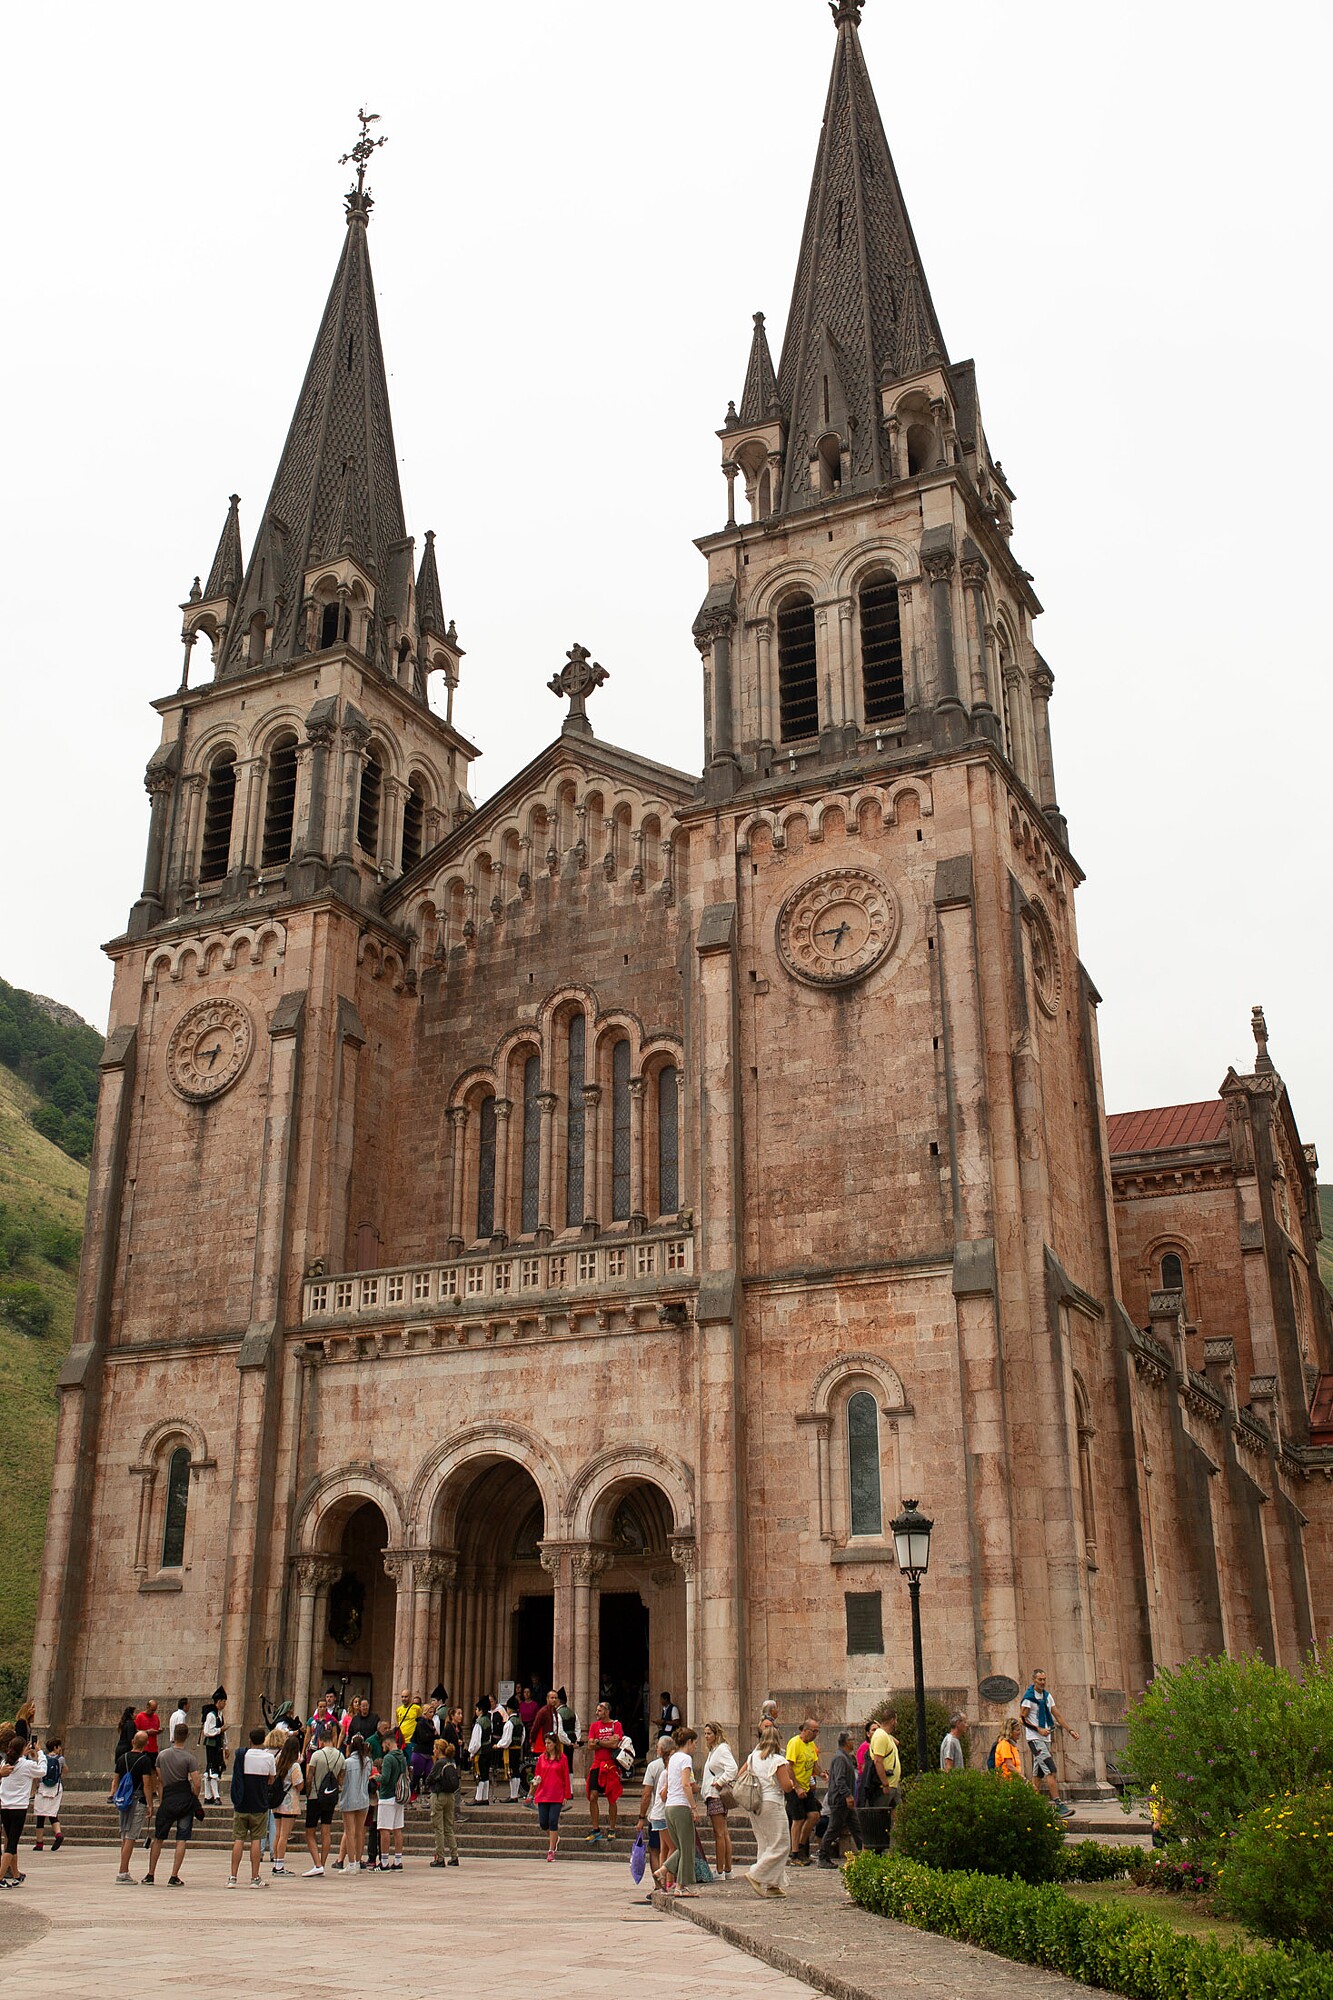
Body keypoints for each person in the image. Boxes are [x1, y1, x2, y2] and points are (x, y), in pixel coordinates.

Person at [145, 1719, 202, 1885]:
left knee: (158, 1838)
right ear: (187, 1737)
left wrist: (162, 1799)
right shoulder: (189, 1758)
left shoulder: (162, 1756)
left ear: (173, 1736)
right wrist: (194, 1797)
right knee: (181, 1838)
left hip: (168, 1797)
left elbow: (160, 1779)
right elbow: (197, 1782)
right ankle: (173, 1875)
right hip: (184, 1797)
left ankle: (150, 1874)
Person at [742, 1722, 794, 1899]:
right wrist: (792, 1782)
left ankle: (772, 1884)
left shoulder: (752, 1757)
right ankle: (757, 1873)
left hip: (755, 1802)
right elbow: (787, 1786)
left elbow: (741, 1774)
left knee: (765, 1842)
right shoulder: (778, 1760)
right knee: (781, 1843)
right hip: (772, 1803)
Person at [1021, 1668, 1078, 1818]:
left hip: (1046, 1739)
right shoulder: (1029, 1698)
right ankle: (1058, 1804)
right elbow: (1022, 1719)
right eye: (1040, 1679)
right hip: (1035, 1739)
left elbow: (1057, 1715)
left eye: (1044, 1679)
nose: (1043, 1682)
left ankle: (1029, 1805)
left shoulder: (1047, 1697)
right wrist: (1038, 1729)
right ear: (1034, 1680)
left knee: (1038, 1774)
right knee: (1051, 1770)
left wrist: (1070, 1730)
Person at [229, 1725, 276, 1888]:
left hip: (242, 1803)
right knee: (256, 1839)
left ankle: (233, 1877)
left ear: (250, 1740)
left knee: (238, 1839)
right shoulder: (268, 1758)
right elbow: (271, 1779)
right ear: (263, 1741)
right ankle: (254, 1877)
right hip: (259, 1803)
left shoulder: (243, 1755)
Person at [660, 1726, 703, 1897]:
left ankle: (663, 1870)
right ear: (689, 1742)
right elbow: (686, 1784)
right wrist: (694, 1807)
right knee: (687, 1848)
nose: (695, 1747)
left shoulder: (673, 1758)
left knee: (680, 1846)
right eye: (695, 1743)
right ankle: (681, 1886)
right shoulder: (685, 1759)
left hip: (670, 1806)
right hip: (680, 1806)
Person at [114, 1729, 158, 1883]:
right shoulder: (144, 1760)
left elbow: (116, 1780)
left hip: (123, 1800)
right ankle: (122, 1872)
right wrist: (150, 1804)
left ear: (133, 1741)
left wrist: (114, 1796)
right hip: (137, 1799)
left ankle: (124, 1869)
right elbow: (147, 1784)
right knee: (131, 1836)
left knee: (124, 1835)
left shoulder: (122, 1758)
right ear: (146, 1744)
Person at [0, 1735, 45, 1885]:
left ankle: (16, 1873)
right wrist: (40, 1753)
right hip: (18, 1808)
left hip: (5, 1806)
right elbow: (42, 1771)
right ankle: (0, 1877)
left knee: (12, 1842)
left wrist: (24, 1754)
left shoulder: (5, 1763)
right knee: (11, 1844)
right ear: (23, 1749)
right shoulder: (26, 1765)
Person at [303, 1722, 346, 1875]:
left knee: (310, 1831)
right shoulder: (340, 1756)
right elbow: (341, 1779)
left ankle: (317, 1863)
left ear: (320, 1741)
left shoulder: (317, 1755)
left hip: (315, 1796)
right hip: (331, 1796)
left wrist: (308, 1793)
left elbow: (309, 1777)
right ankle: (323, 1862)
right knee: (326, 1830)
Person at [817, 1732, 863, 1868]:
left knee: (856, 1827)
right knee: (833, 1829)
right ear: (845, 1742)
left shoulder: (845, 1757)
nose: (853, 1742)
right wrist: (847, 1795)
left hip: (845, 1801)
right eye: (851, 1740)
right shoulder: (840, 1759)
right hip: (839, 1800)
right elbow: (840, 1779)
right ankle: (823, 1855)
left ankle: (865, 1853)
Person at [636, 1734, 675, 1891]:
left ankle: (659, 1885)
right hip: (672, 1812)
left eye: (658, 1747)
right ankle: (670, 1880)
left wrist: (641, 1817)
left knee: (656, 1849)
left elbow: (646, 1794)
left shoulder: (654, 1766)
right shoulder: (677, 1764)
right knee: (669, 1848)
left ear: (662, 1749)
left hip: (658, 1813)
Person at [700, 1721, 737, 1879]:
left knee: (719, 1834)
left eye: (709, 1733)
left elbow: (732, 1768)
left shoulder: (721, 1749)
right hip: (711, 1794)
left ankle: (720, 1870)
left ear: (716, 1734)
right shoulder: (714, 1750)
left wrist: (720, 1781)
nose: (707, 1736)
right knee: (723, 1833)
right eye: (705, 1733)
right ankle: (727, 1869)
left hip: (715, 1795)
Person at [784, 1718, 824, 1866]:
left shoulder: (811, 1745)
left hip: (807, 1786)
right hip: (795, 1788)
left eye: (817, 1731)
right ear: (805, 1730)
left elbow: (814, 1764)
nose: (815, 1734)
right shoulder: (795, 1743)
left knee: (814, 1815)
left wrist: (822, 1775)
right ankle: (794, 1854)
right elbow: (789, 1767)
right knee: (798, 1819)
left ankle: (800, 1845)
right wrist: (797, 1786)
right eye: (814, 1731)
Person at [585, 1701, 623, 1843]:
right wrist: (605, 1742)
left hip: (611, 1766)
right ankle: (596, 1829)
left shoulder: (616, 1725)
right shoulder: (594, 1726)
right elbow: (590, 1745)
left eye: (599, 1711)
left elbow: (615, 1744)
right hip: (597, 1765)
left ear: (607, 1711)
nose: (597, 1713)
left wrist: (598, 1742)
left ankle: (612, 1828)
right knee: (593, 1795)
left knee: (611, 1797)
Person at [334, 1733, 371, 1871]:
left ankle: (351, 1863)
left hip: (349, 1798)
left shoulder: (347, 1762)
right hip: (363, 1798)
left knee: (349, 1831)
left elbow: (341, 1780)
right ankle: (357, 1860)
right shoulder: (368, 1761)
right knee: (360, 1831)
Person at [270, 1728, 305, 1872]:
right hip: (289, 1803)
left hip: (277, 1801)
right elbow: (299, 1785)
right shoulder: (294, 1765)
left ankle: (276, 1862)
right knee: (284, 1835)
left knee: (278, 1833)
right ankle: (279, 1865)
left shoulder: (278, 1761)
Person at [532, 1733, 571, 1862]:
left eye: (549, 1743)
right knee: (543, 1822)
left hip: (556, 1793)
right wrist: (536, 1781)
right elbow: (537, 1773)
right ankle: (554, 1838)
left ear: (555, 1744)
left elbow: (565, 1776)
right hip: (543, 1793)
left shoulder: (563, 1758)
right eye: (546, 1743)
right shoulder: (541, 1758)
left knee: (553, 1820)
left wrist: (566, 1795)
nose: (547, 1746)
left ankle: (551, 1850)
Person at [425, 1735, 461, 1867]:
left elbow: (429, 1779)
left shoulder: (439, 1763)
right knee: (449, 1827)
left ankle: (440, 1857)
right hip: (451, 1796)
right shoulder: (451, 1762)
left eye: (434, 1748)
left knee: (438, 1828)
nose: (433, 1750)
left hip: (439, 1795)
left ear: (438, 1750)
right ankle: (454, 1855)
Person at [376, 1734, 408, 1869]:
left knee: (384, 1829)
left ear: (388, 1743)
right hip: (399, 1796)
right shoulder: (402, 1757)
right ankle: (398, 1860)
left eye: (384, 1746)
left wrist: (376, 1777)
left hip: (387, 1796)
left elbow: (386, 1778)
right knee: (397, 1829)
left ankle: (384, 1862)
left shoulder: (389, 1758)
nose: (383, 1748)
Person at [32, 1735, 66, 1852]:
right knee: (52, 1813)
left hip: (42, 1787)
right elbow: (65, 1771)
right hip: (55, 1788)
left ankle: (39, 1843)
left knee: (40, 1816)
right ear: (56, 1747)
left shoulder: (43, 1758)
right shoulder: (60, 1759)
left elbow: (38, 1773)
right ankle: (58, 1834)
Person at [200, 1692, 227, 1803]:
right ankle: (216, 1796)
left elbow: (223, 1733)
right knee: (213, 1769)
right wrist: (220, 1730)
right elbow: (207, 1731)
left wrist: (226, 1746)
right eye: (224, 1701)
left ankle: (208, 1796)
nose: (225, 1704)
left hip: (218, 1745)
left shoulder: (219, 1715)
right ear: (218, 1701)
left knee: (211, 1769)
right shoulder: (211, 1715)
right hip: (212, 1745)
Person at [110, 1705, 136, 1804]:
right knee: (126, 1773)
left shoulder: (124, 1723)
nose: (136, 1715)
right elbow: (130, 1738)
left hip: (119, 1749)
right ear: (131, 1714)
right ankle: (120, 1793)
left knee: (118, 1773)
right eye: (134, 1713)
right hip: (126, 1750)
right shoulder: (131, 1724)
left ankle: (112, 1793)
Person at [467, 1700, 492, 1804]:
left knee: (479, 1774)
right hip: (488, 1750)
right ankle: (485, 1797)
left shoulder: (479, 1722)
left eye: (477, 1709)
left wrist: (472, 1752)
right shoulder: (488, 1720)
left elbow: (476, 1741)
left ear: (480, 1710)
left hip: (480, 1752)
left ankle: (478, 1798)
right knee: (485, 1774)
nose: (476, 1711)